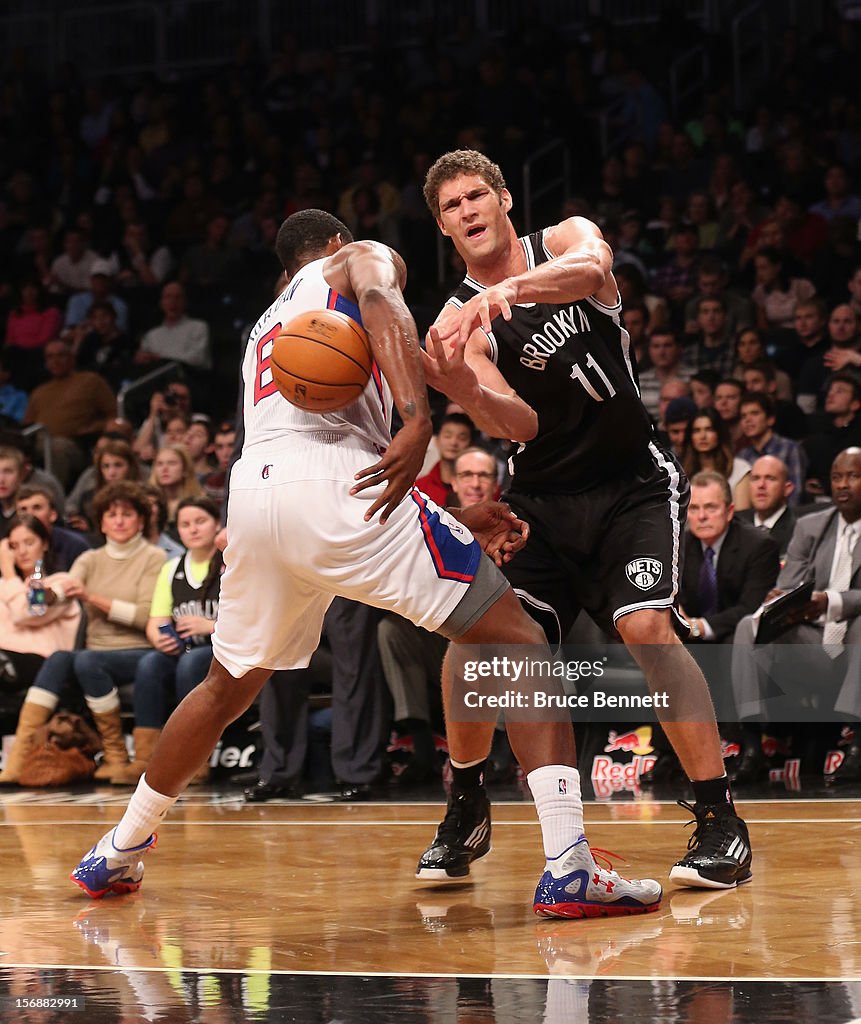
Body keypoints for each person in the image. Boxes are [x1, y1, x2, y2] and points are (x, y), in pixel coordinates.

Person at [70, 210, 663, 918]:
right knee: (517, 639)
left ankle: (117, 849)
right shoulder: (358, 260)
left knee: (225, 687)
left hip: (257, 502)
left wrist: (443, 515)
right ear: (334, 245)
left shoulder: (265, 323)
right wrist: (416, 418)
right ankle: (569, 863)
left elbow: (316, 437)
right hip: (342, 492)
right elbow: (381, 304)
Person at [420, 149, 751, 890]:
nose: (468, 211)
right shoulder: (454, 320)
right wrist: (458, 385)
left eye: (477, 195)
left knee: (644, 628)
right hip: (540, 500)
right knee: (474, 632)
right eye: (451, 206)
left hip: (631, 481)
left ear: (503, 197)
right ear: (440, 225)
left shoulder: (562, 238)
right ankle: (465, 800)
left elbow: (595, 270)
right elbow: (521, 422)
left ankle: (717, 816)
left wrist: (499, 295)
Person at [2, 482, 164, 785]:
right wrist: (44, 592)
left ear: (141, 520)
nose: (118, 521)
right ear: (101, 522)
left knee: (87, 660)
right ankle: (18, 760)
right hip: (93, 655)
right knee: (62, 658)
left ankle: (120, 757)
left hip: (139, 649)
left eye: (126, 514)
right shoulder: (89, 559)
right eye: (111, 514)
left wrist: (92, 598)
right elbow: (46, 602)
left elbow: (144, 616)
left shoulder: (153, 558)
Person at [730, 448, 861, 785]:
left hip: (853, 645)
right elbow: (789, 585)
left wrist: (828, 601)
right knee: (749, 625)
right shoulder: (811, 526)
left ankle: (856, 748)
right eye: (836, 477)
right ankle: (752, 747)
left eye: (853, 476)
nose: (843, 484)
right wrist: (781, 602)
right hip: (812, 643)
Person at [111, 497, 223, 786]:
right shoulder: (172, 567)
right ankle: (144, 759)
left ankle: (195, 761)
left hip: (221, 648)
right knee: (150, 664)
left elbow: (251, 617)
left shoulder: (231, 563)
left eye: (200, 522)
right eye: (185, 524)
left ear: (217, 525)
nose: (193, 529)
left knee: (189, 664)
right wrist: (158, 638)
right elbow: (156, 620)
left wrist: (210, 626)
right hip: (185, 648)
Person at [736, 393, 805, 503]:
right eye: (743, 416)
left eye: (754, 413)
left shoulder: (790, 449)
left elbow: (796, 493)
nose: (747, 420)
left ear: (770, 419)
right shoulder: (742, 456)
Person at [681, 408, 751, 510]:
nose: (703, 436)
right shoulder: (681, 474)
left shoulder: (740, 469)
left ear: (719, 434)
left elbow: (743, 516)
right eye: (697, 431)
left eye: (709, 429)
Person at [15, 486, 91, 571]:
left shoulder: (75, 546)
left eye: (37, 508)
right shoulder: (8, 544)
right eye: (23, 509)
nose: (30, 514)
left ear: (53, 515)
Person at [735, 455, 797, 556]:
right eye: (755, 478)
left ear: (787, 489)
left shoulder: (798, 531)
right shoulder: (734, 523)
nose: (761, 485)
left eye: (770, 478)